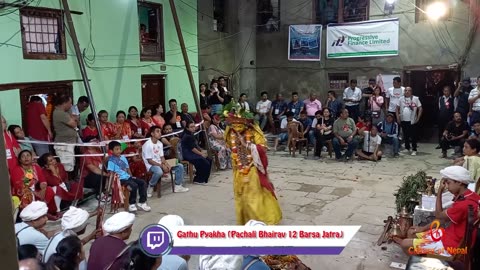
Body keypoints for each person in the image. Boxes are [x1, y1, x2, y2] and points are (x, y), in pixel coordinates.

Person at [393, 166, 480, 257]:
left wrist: (439, 192)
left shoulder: (464, 204)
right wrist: (422, 228)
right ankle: (422, 256)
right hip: (451, 236)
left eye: (448, 183)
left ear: (459, 182)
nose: (446, 186)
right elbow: (443, 219)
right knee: (412, 232)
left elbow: (438, 215)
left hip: (452, 247)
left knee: (405, 244)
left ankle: (419, 263)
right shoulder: (470, 196)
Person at [224, 102, 282, 225]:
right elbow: (229, 145)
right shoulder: (230, 131)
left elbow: (263, 148)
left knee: (254, 196)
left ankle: (259, 222)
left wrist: (247, 145)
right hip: (238, 168)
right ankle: (245, 221)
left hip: (252, 168)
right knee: (241, 196)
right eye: (234, 124)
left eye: (240, 124)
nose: (237, 127)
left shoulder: (254, 131)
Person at [10, 150, 58, 219]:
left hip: (35, 192)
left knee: (49, 190)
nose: (26, 158)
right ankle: (34, 216)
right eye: (23, 156)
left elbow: (43, 181)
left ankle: (47, 212)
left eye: (28, 155)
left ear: (31, 157)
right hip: (22, 194)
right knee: (28, 194)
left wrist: (43, 190)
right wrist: (34, 193)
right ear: (20, 160)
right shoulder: (16, 170)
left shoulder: (36, 167)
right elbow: (20, 186)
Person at [143, 126, 189, 196]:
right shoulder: (147, 144)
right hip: (151, 165)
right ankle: (150, 186)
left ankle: (178, 186)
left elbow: (162, 157)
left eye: (160, 131)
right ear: (152, 133)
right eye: (157, 131)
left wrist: (166, 164)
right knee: (159, 172)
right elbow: (150, 161)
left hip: (160, 163)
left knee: (179, 165)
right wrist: (162, 165)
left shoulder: (160, 143)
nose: (159, 133)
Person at [107, 141, 151, 212]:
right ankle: (132, 203)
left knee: (142, 182)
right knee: (134, 185)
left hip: (128, 177)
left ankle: (142, 202)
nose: (119, 151)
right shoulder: (111, 161)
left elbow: (128, 169)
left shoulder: (123, 158)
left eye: (120, 149)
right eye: (117, 149)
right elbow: (111, 173)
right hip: (120, 179)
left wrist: (131, 176)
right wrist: (111, 184)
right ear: (111, 151)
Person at [52, 94, 77, 172]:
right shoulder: (60, 113)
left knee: (70, 166)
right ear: (64, 103)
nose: (71, 105)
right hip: (64, 145)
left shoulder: (64, 113)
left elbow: (76, 119)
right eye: (70, 103)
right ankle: (65, 183)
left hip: (68, 143)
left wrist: (73, 117)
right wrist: (73, 118)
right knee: (66, 168)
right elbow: (74, 124)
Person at [397, 87, 423, 156]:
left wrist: (418, 117)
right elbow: (397, 108)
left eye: (409, 91)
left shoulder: (415, 98)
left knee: (413, 135)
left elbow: (420, 108)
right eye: (406, 90)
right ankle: (407, 148)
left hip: (412, 120)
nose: (407, 92)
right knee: (405, 135)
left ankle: (414, 149)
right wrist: (398, 117)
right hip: (403, 119)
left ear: (411, 92)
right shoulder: (401, 98)